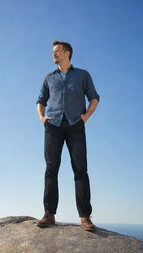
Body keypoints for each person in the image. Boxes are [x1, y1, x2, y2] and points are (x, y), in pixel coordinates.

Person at [36, 41, 99, 231]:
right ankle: (49, 214)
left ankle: (85, 216)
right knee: (51, 169)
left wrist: (86, 117)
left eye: (57, 51)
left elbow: (94, 97)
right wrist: (42, 117)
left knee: (80, 170)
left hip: (75, 126)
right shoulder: (49, 78)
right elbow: (40, 100)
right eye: (53, 52)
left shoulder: (82, 75)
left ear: (67, 53)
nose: (54, 54)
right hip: (53, 126)